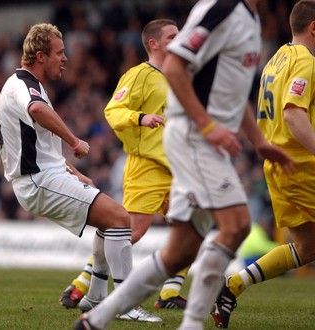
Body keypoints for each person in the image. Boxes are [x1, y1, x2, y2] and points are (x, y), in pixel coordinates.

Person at [74, 0, 296, 329]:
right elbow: (175, 67)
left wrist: (260, 142)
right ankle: (186, 321)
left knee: (180, 250)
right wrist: (207, 126)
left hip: (198, 143)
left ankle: (96, 319)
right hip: (191, 138)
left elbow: (233, 95)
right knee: (233, 225)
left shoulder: (251, 21)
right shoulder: (221, 9)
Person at [0, 23, 134, 318]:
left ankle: (96, 298)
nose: (66, 58)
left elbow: (36, 145)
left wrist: (71, 170)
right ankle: (124, 304)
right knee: (120, 217)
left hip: (43, 176)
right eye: (60, 52)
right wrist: (74, 142)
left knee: (110, 222)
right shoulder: (25, 85)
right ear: (41, 56)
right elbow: (37, 111)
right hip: (37, 181)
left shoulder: (28, 85)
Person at [60, 19, 190, 314]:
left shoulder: (179, 73)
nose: (178, 40)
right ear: (153, 44)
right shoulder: (140, 75)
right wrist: (140, 117)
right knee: (130, 232)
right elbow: (114, 110)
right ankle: (84, 281)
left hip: (179, 167)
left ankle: (170, 292)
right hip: (148, 166)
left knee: (194, 226)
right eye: (172, 36)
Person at [212, 1, 315, 328]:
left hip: (279, 167)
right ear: (314, 28)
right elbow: (293, 112)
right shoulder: (307, 61)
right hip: (301, 166)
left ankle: (233, 286)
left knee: (309, 247)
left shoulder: (276, 58)